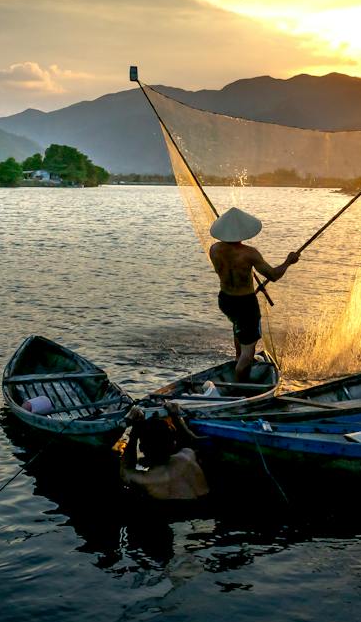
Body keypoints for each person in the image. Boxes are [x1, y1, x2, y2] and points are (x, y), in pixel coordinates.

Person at [207, 206, 298, 381]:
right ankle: (240, 385)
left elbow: (231, 262)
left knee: (237, 325)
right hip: (245, 303)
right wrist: (288, 261)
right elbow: (273, 275)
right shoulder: (250, 254)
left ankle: (237, 359)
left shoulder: (214, 249)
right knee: (249, 352)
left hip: (225, 300)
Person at [118, 402, 209, 501]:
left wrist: (134, 432)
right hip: (201, 506)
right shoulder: (188, 456)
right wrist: (175, 416)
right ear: (172, 443)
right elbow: (187, 441)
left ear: (141, 448)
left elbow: (125, 469)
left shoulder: (143, 479)